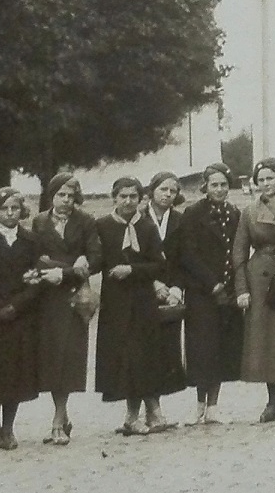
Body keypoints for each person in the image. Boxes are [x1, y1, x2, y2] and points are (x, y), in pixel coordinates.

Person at [97, 176, 173, 436]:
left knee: (143, 354)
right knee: (124, 356)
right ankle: (137, 415)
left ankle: (144, 414)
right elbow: (97, 259)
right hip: (115, 301)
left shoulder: (147, 227)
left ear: (141, 199)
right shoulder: (103, 226)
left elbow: (159, 265)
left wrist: (131, 269)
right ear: (114, 198)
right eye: (123, 196)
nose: (128, 201)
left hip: (142, 300)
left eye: (133, 197)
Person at [0, 186, 48, 450]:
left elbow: (38, 279)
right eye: (4, 209)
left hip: (20, 314)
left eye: (15, 208)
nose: (9, 213)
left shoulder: (32, 241)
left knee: (16, 372)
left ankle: (8, 428)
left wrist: (17, 306)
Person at [29, 173, 100, 445]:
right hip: (48, 297)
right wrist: (69, 266)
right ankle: (62, 414)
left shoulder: (85, 221)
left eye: (71, 196)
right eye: (61, 195)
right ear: (52, 196)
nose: (66, 200)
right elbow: (36, 258)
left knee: (69, 358)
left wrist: (67, 272)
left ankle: (58, 420)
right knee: (51, 358)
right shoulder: (40, 221)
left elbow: (96, 258)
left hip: (74, 296)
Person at [172, 164, 243, 424]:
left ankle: (213, 406)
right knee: (202, 349)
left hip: (227, 291)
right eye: (214, 185)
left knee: (220, 349)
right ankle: (199, 405)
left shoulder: (234, 213)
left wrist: (231, 284)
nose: (219, 189)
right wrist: (212, 283)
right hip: (201, 291)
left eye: (223, 184)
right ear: (205, 186)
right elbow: (188, 254)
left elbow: (236, 251)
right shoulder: (193, 213)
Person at [233, 160, 275, 423]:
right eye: (260, 180)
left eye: (270, 178)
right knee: (267, 341)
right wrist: (242, 288)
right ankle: (272, 401)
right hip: (260, 279)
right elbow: (239, 253)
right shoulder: (250, 212)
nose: (265, 184)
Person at [139, 173, 190, 430]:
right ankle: (151, 411)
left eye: (172, 190)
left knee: (167, 351)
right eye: (163, 189)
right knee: (144, 350)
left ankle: (155, 409)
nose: (167, 194)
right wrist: (154, 283)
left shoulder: (180, 221)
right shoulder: (139, 218)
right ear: (152, 190)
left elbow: (184, 258)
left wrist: (177, 287)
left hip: (171, 292)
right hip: (142, 289)